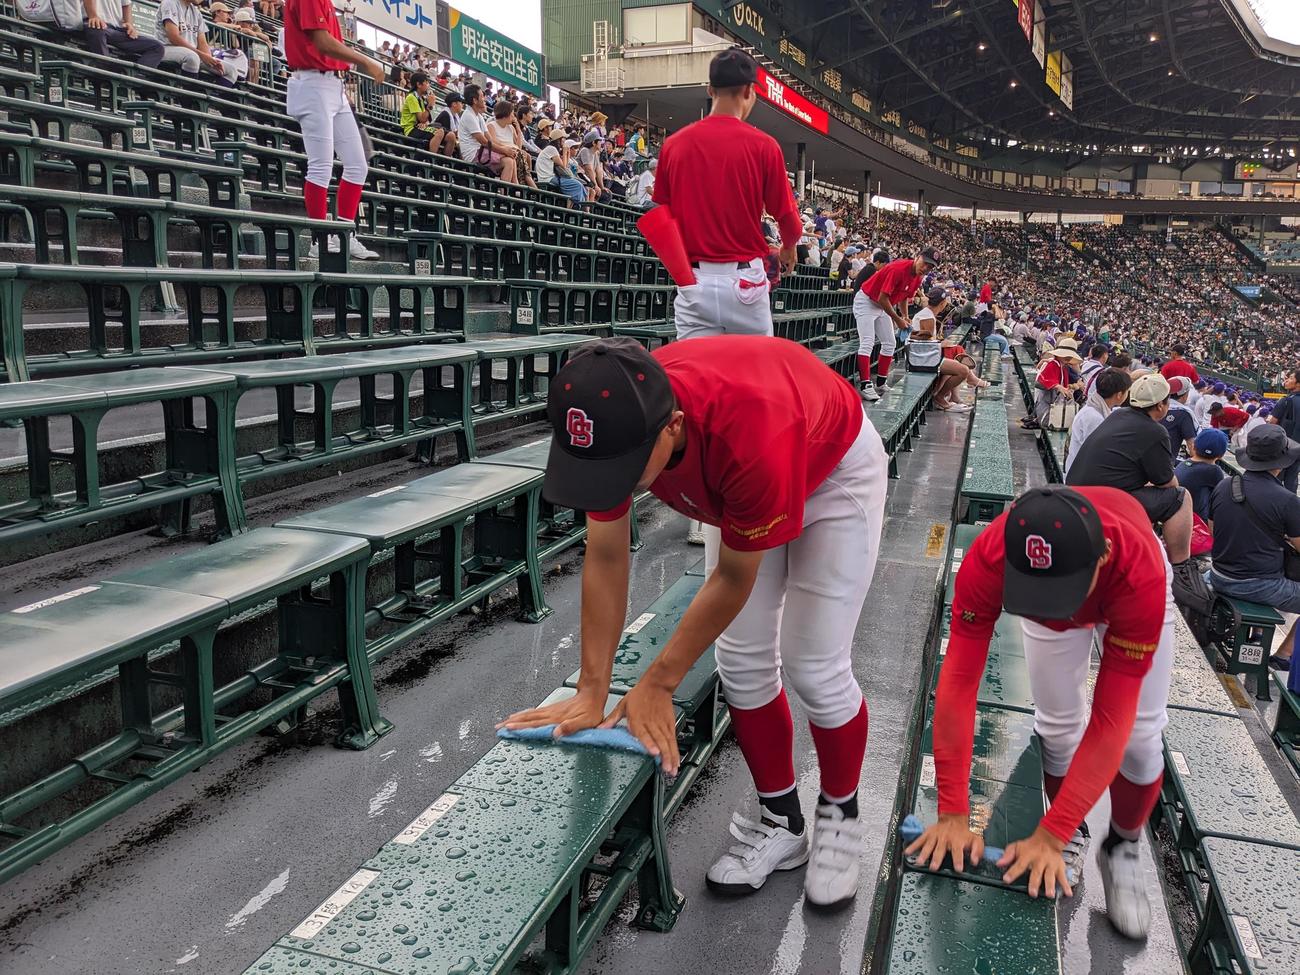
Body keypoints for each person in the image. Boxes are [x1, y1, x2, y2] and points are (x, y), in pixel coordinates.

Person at [501, 336, 888, 908]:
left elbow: (735, 577)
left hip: (829, 469)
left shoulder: (746, 428)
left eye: (625, 468)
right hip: (745, 469)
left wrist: (657, 683)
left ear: (674, 426)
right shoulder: (618, 413)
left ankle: (840, 818)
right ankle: (782, 822)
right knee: (741, 659)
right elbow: (606, 554)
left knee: (815, 663)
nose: (618, 481)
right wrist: (592, 689)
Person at [909, 485, 1176, 940]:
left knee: (1142, 738)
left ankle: (1122, 846)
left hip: (1128, 589)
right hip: (1076, 571)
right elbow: (957, 681)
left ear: (1103, 555)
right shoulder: (992, 554)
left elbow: (1112, 718)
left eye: (1062, 593)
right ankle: (1069, 832)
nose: (1061, 610)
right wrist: (952, 813)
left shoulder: (1136, 571)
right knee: (1057, 726)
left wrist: (1047, 834)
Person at [651, 47, 801, 342]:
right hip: (745, 279)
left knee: (696, 380)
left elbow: (661, 217)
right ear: (749, 90)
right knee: (755, 378)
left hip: (693, 280)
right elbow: (789, 221)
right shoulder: (764, 145)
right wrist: (788, 247)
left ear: (710, 88)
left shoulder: (674, 144)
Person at [1067, 373, 1206, 611]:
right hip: (1103, 502)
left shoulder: (1117, 415)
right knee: (1182, 497)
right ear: (1160, 405)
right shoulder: (1155, 431)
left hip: (1076, 494)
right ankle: (1181, 566)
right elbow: (1168, 483)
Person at [282, 0, 383, 261]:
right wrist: (364, 60)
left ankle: (344, 234)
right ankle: (320, 239)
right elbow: (322, 42)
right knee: (321, 166)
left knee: (357, 165)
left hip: (331, 85)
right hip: (312, 82)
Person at [1206, 424, 1300, 671]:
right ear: (1282, 461)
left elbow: (1213, 530)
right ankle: (1284, 655)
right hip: (1256, 585)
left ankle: (1258, 636)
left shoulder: (1225, 485)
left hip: (1218, 574)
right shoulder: (1288, 501)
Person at [855, 249, 938, 401]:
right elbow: (882, 298)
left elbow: (904, 296)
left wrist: (905, 316)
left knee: (890, 343)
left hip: (882, 305)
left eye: (930, 267)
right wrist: (898, 319)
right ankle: (865, 385)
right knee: (867, 342)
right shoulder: (898, 269)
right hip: (866, 300)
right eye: (925, 263)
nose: (926, 267)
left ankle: (880, 382)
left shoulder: (918, 277)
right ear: (917, 257)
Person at [1064, 368, 1132, 479]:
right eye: (1127, 391)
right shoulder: (1094, 418)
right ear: (1119, 394)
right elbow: (1098, 455)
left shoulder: (1094, 408)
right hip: (1081, 479)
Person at [156, 0, 241, 82]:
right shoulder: (170, 2)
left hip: (192, 53)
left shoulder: (196, 12)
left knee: (231, 71)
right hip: (165, 48)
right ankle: (185, 95)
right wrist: (202, 55)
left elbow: (202, 43)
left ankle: (211, 95)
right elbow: (173, 37)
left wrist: (210, 60)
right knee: (192, 57)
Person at [78, 0, 164, 67]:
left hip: (116, 29)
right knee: (96, 30)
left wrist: (129, 24)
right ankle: (106, 73)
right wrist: (93, 16)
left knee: (156, 47)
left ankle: (134, 81)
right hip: (96, 24)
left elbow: (126, 4)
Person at [1174, 429, 1227, 523]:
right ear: (1221, 455)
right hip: (1196, 522)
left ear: (1194, 446)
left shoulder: (1183, 464)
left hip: (1177, 516)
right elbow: (1221, 499)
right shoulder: (1214, 471)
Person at [1267, 368, 1300, 494]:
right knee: (1292, 481)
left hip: (1284, 447)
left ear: (1298, 383)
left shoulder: (1286, 400)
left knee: (1276, 479)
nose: (1287, 380)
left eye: (1291, 378)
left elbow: (1272, 423)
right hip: (1298, 448)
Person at [1159, 376, 1197, 460]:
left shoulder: (1156, 406)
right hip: (1165, 463)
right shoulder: (1184, 413)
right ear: (1184, 395)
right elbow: (1192, 446)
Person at [400, 71, 438, 152]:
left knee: (448, 135)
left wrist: (424, 123)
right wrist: (430, 105)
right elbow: (422, 118)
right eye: (426, 82)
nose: (428, 85)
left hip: (418, 128)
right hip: (411, 129)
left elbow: (425, 120)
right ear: (419, 84)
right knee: (439, 132)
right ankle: (432, 160)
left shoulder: (421, 99)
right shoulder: (411, 97)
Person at [428, 91, 463, 157]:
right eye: (461, 102)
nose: (462, 105)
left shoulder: (455, 116)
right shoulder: (445, 114)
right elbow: (447, 132)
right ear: (454, 104)